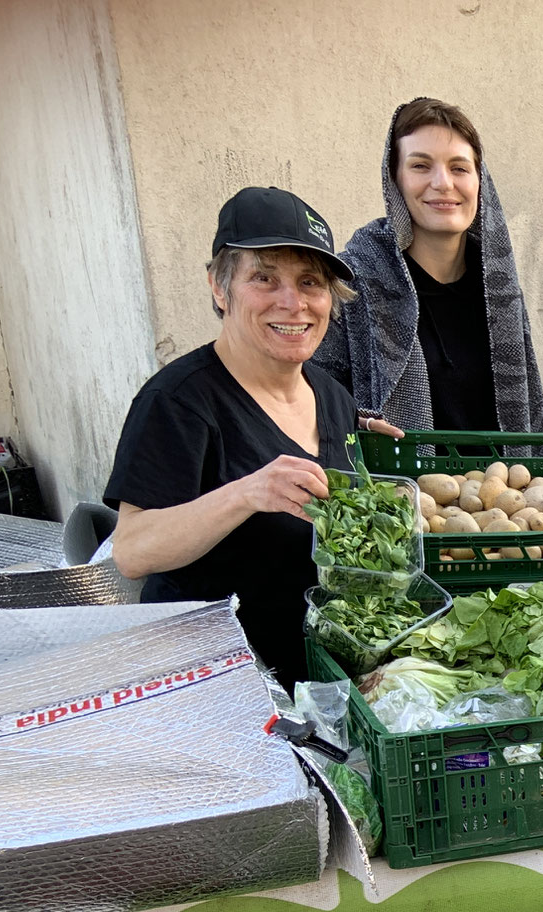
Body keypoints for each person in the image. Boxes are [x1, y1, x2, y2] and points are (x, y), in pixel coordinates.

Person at [107, 187, 403, 688]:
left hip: (317, 682)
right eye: (264, 278)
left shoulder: (332, 397)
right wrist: (246, 493)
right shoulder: (179, 401)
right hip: (216, 689)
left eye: (311, 282)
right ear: (220, 289)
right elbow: (132, 552)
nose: (293, 303)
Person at [311, 97, 543, 436]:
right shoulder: (351, 284)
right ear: (395, 180)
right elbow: (307, 402)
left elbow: (526, 413)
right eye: (421, 166)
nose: (443, 183)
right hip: (396, 487)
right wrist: (356, 422)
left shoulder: (497, 290)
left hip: (502, 487)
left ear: (479, 182)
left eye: (459, 168)